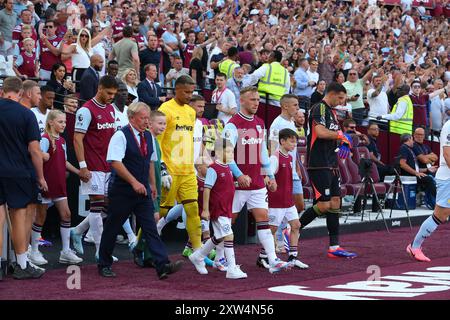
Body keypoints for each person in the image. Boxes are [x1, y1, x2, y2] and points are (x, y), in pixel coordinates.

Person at [98, 102, 183, 279]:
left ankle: (162, 265)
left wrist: (152, 184)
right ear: (131, 118)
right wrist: (134, 182)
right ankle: (104, 263)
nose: (146, 121)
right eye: (143, 118)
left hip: (143, 190)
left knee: (150, 227)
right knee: (112, 227)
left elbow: (151, 161)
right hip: (122, 191)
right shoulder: (120, 136)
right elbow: (115, 162)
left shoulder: (148, 137)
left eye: (147, 118)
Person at [222, 86, 290, 273]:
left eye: (258, 100)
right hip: (236, 184)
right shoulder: (232, 124)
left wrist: (270, 176)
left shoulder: (260, 123)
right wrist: (238, 174)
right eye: (252, 99)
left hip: (257, 183)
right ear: (241, 101)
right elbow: (223, 153)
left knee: (264, 219)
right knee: (228, 223)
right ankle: (212, 256)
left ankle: (273, 259)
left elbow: (263, 153)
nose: (256, 103)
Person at [301, 82, 357, 259]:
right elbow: (321, 132)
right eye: (340, 98)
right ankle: (291, 229)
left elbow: (335, 134)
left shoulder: (332, 112)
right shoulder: (320, 108)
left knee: (335, 204)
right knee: (324, 205)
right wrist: (341, 135)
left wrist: (344, 140)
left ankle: (334, 247)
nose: (342, 102)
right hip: (319, 163)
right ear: (332, 94)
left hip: (332, 163)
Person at [0, 76, 47, 279]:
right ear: (20, 93)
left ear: (3, 91)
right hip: (18, 172)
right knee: (19, 217)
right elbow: (35, 150)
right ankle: (21, 263)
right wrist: (41, 176)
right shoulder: (26, 114)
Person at [70, 75, 118, 260]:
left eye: (114, 94)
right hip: (93, 165)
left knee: (109, 206)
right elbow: (77, 139)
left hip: (108, 165)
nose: (111, 96)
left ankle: (78, 230)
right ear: (99, 88)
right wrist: (82, 166)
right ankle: (100, 251)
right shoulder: (86, 110)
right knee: (97, 204)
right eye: (108, 93)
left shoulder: (111, 109)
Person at [157, 75, 202, 258]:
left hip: (187, 170)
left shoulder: (191, 112)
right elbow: (157, 139)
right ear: (176, 90)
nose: (189, 96)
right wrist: (161, 167)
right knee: (160, 213)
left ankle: (198, 251)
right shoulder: (165, 110)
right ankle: (141, 243)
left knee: (193, 209)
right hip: (170, 170)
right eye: (186, 92)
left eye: (192, 92)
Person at [189, 139, 247, 279]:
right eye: (228, 151)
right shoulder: (213, 169)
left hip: (226, 208)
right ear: (219, 152)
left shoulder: (227, 167)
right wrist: (205, 210)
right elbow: (207, 189)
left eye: (232, 151)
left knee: (220, 236)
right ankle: (231, 268)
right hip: (218, 209)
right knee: (229, 235)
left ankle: (198, 256)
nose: (231, 154)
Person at [37, 110, 83, 265]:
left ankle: (65, 251)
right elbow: (38, 159)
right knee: (40, 217)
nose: (64, 124)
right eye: (60, 122)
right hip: (46, 184)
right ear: (51, 122)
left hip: (59, 184)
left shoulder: (62, 141)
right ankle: (33, 250)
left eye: (64, 122)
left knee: (66, 215)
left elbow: (64, 162)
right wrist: (41, 179)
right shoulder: (44, 140)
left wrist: (78, 171)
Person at [406, 119, 450, 262]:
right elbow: (447, 155)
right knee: (440, 215)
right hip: (447, 177)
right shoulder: (449, 126)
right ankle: (414, 246)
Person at [268, 128, 309, 269]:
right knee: (271, 230)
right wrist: (270, 185)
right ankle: (264, 256)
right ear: (282, 141)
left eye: (295, 142)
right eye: (291, 141)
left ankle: (293, 257)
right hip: (277, 202)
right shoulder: (274, 158)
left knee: (296, 226)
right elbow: (267, 176)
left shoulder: (290, 157)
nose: (294, 145)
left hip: (288, 201)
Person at [132, 110, 167, 268]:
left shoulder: (155, 141)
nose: (163, 126)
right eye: (160, 123)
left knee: (153, 220)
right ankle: (140, 250)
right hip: (147, 187)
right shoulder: (146, 140)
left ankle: (146, 254)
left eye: (165, 124)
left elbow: (157, 163)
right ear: (149, 124)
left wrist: (164, 173)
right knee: (152, 220)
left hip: (156, 188)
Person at [269, 95, 304, 214]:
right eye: (295, 105)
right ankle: (280, 231)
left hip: (293, 170)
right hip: (282, 171)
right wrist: (273, 172)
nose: (298, 108)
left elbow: (294, 149)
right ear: (285, 106)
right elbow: (272, 147)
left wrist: (297, 167)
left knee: (299, 206)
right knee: (283, 206)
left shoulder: (292, 122)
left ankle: (289, 229)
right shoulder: (277, 123)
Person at [245, 50, 290, 126]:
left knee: (258, 125)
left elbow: (255, 76)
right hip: (277, 104)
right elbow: (287, 89)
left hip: (263, 101)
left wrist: (247, 85)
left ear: (274, 58)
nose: (268, 58)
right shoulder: (285, 71)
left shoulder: (267, 66)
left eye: (270, 56)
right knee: (271, 126)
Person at [398, 133, 436, 203]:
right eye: (412, 139)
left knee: (432, 176)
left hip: (414, 174)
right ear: (409, 139)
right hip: (409, 176)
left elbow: (415, 168)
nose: (413, 141)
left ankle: (430, 199)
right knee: (429, 179)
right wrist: (416, 173)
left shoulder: (409, 149)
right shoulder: (403, 148)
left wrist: (427, 169)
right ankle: (438, 201)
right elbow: (402, 164)